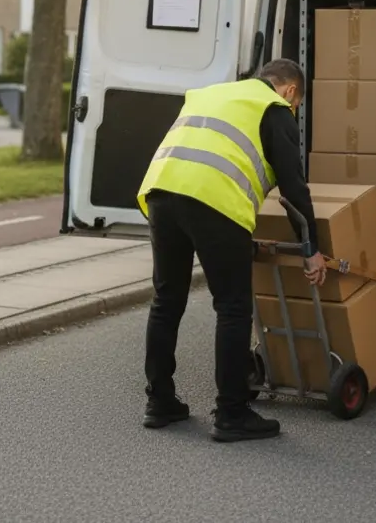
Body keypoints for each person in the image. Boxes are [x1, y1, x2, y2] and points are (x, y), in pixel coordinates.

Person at [136, 58, 326, 443]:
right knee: (233, 307)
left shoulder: (213, 93)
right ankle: (232, 413)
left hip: (161, 192)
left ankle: (160, 401)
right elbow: (294, 186)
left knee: (166, 300)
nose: (294, 110)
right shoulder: (274, 109)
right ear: (290, 90)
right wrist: (312, 248)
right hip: (214, 201)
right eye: (297, 104)